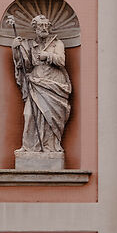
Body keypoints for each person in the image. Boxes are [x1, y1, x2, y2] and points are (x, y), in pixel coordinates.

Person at [12, 12, 72, 158]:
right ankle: (29, 147)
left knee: (50, 116)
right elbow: (24, 65)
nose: (44, 28)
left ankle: (51, 146)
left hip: (54, 83)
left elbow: (61, 61)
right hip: (36, 82)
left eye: (46, 25)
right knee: (29, 114)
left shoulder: (57, 43)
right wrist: (16, 48)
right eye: (40, 25)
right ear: (35, 28)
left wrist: (48, 56)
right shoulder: (32, 45)